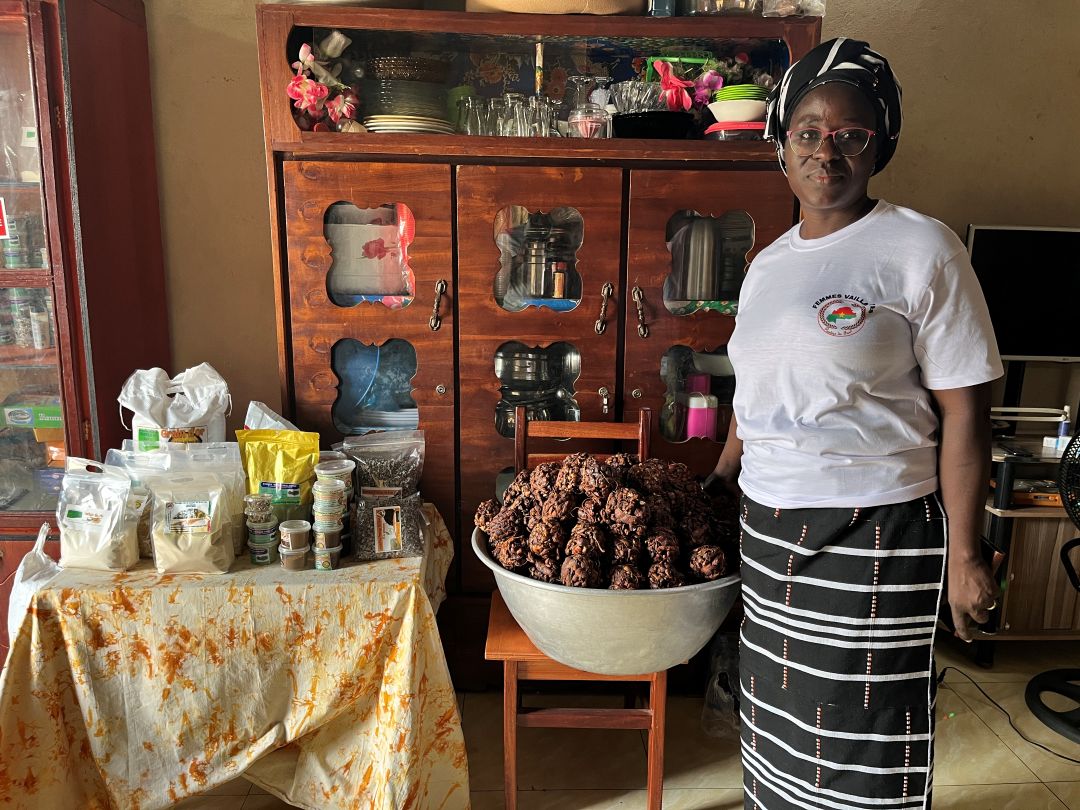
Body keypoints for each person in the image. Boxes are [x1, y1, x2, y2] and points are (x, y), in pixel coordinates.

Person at [709, 37, 1003, 810]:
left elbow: (968, 413)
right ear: (781, 143)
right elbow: (756, 393)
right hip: (770, 531)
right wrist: (720, 475)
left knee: (860, 734)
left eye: (851, 135)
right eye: (808, 131)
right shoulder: (766, 265)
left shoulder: (920, 248)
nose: (826, 152)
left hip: (877, 532)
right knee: (774, 722)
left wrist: (967, 558)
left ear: (881, 144)